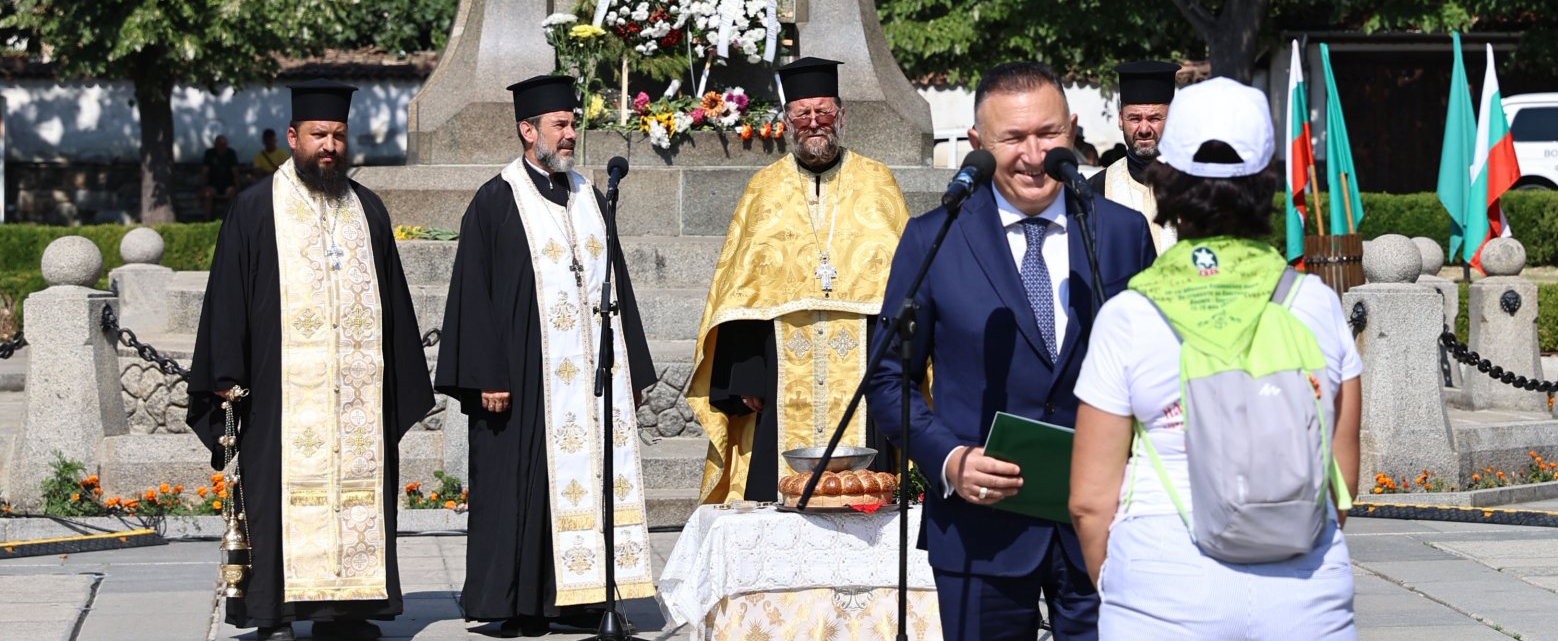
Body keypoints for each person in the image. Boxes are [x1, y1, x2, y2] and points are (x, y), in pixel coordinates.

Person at [868, 60, 1157, 641]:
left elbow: (1159, 370)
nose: (1033, 154)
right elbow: (886, 379)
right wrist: (950, 460)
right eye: (1013, 139)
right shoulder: (935, 237)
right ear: (978, 144)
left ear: (1072, 130)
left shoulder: (1121, 233)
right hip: (981, 531)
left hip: (1106, 527)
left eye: (1048, 134)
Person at [1069, 76, 1361, 640]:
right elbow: (1340, 481)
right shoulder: (1318, 307)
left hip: (1162, 584)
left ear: (1165, 180)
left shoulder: (1130, 316)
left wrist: (1129, 584)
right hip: (1305, 589)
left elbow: (1088, 501)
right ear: (1268, 184)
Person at [185, 82, 434, 641]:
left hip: (356, 399)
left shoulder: (367, 208)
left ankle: (342, 613)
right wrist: (225, 374)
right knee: (276, 501)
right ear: (294, 138)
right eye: (319, 135)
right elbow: (227, 295)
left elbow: (392, 299)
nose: (330, 147)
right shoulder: (254, 207)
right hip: (278, 392)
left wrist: (398, 380)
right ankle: (271, 613)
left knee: (356, 498)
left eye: (338, 136)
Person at [434, 72, 657, 637]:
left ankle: (582, 597)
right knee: (519, 485)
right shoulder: (496, 198)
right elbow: (472, 293)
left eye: (573, 123)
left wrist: (629, 363)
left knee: (588, 483)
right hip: (523, 376)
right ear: (526, 129)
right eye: (560, 125)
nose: (570, 135)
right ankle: (515, 603)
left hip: (590, 377)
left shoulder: (589, 194)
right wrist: (485, 373)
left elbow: (616, 284)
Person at [687, 56, 909, 501]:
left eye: (823, 112)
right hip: (777, 366)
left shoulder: (876, 181)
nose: (814, 123)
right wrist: (747, 376)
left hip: (866, 362)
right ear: (787, 121)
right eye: (802, 114)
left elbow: (906, 284)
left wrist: (898, 365)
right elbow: (740, 290)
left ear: (841, 116)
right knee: (775, 492)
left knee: (869, 487)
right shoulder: (764, 188)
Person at [1090, 62, 1179, 255]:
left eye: (1154, 118)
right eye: (1135, 119)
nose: (1144, 129)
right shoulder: (1096, 189)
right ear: (1121, 120)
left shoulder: (1195, 185)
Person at [201, 132, 240, 217]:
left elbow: (235, 172)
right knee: (208, 194)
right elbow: (205, 172)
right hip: (213, 184)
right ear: (215, 145)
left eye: (224, 145)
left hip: (228, 184)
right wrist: (202, 187)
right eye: (220, 145)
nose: (222, 147)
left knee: (232, 193)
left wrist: (237, 187)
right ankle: (206, 219)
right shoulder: (210, 154)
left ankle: (231, 218)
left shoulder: (230, 153)